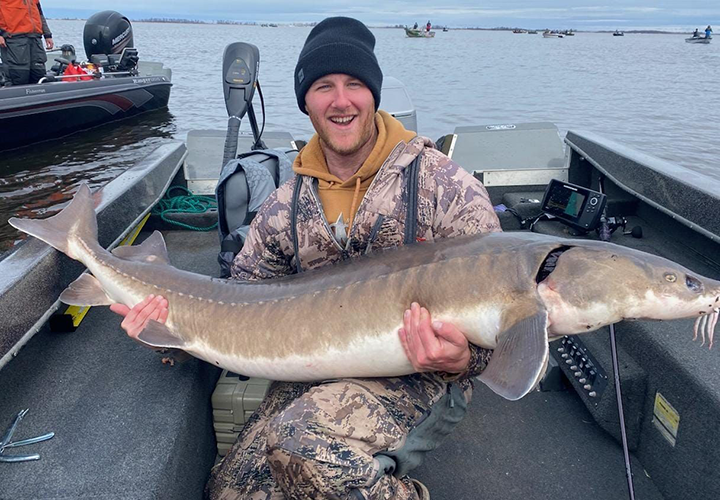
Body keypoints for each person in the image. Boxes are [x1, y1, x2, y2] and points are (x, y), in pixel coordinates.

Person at [112, 16, 501, 500]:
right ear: (306, 101)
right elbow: (239, 304)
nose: (341, 101)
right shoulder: (283, 205)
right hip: (314, 371)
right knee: (231, 493)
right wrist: (162, 329)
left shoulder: (447, 187)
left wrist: (463, 357)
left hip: (420, 378)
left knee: (300, 444)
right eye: (323, 86)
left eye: (354, 84)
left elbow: (507, 313)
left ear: (373, 94)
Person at [0, 0, 53, 85]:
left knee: (38, 74)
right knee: (18, 76)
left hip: (35, 39)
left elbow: (39, 14)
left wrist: (47, 35)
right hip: (14, 40)